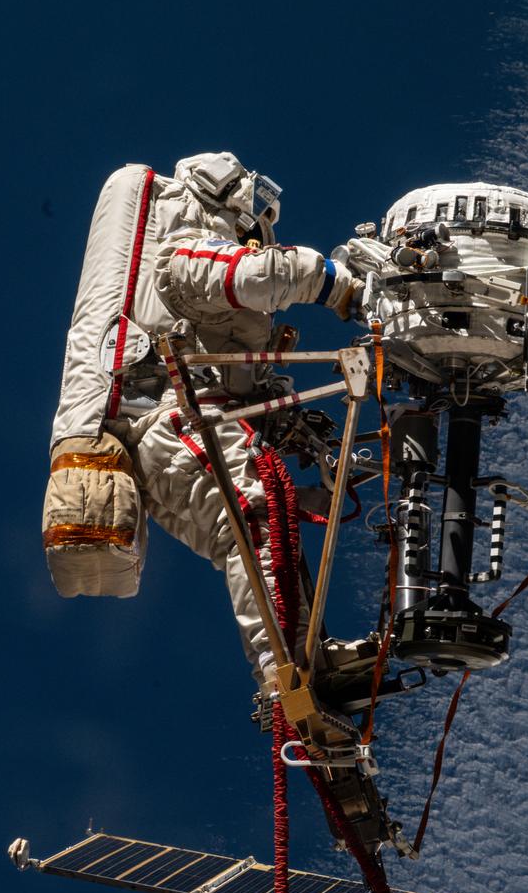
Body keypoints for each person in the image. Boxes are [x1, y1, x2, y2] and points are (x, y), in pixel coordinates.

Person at [44, 151, 359, 691]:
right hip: (173, 423)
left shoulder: (192, 296)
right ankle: (286, 672)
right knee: (256, 515)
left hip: (168, 437)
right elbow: (253, 274)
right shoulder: (183, 252)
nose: (255, 231)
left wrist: (295, 426)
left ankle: (304, 663)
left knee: (263, 522)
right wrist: (344, 287)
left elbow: (241, 381)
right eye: (253, 211)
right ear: (224, 196)